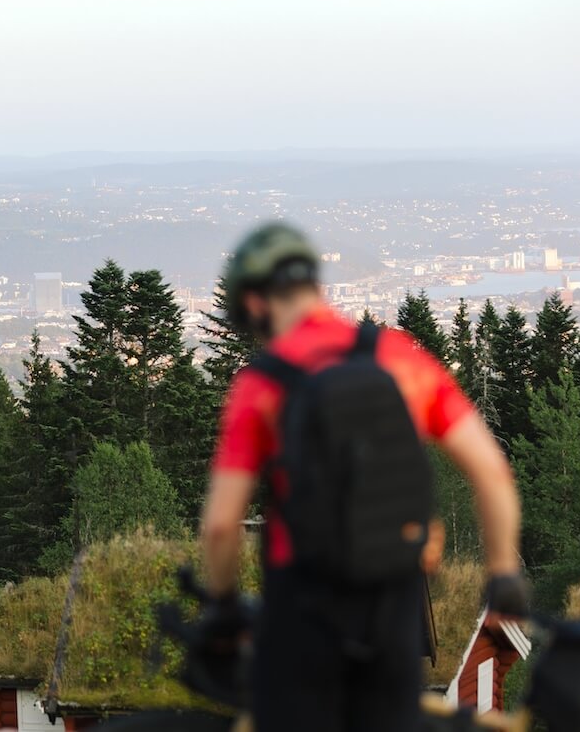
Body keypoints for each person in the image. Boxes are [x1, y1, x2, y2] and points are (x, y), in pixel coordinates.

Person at [199, 221, 528, 732]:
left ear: (257, 304)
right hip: (393, 606)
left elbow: (222, 525)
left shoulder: (261, 385)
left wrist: (222, 606)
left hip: (301, 609)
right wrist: (503, 575)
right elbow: (491, 470)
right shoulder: (398, 357)